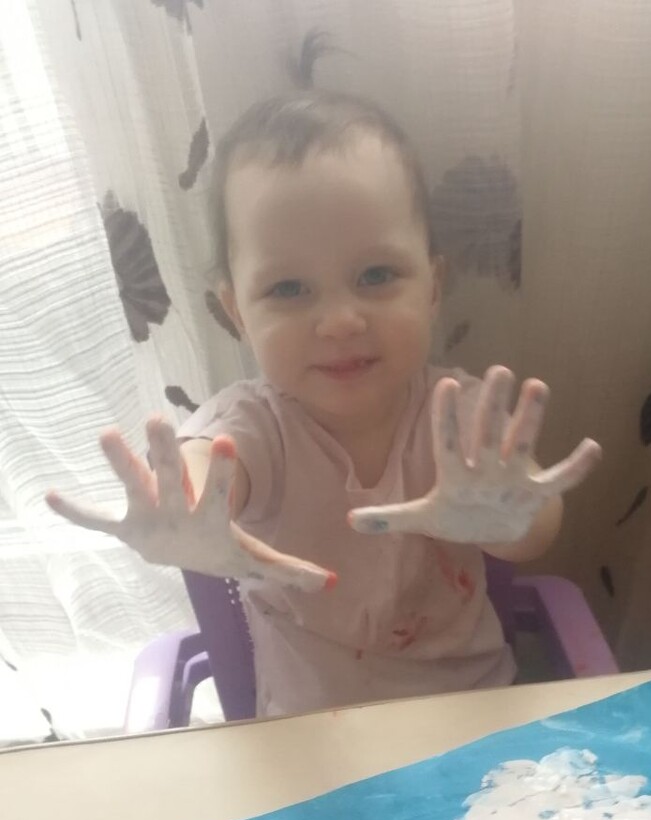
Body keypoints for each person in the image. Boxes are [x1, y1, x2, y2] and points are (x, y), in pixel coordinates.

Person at [47, 86, 601, 717]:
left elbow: (537, 522)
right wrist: (184, 509)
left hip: (472, 712)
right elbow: (208, 467)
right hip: (309, 736)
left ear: (432, 287)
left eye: (376, 276)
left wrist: (513, 518)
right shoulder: (254, 425)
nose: (340, 321)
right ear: (237, 314)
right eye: (289, 289)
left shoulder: (458, 415)